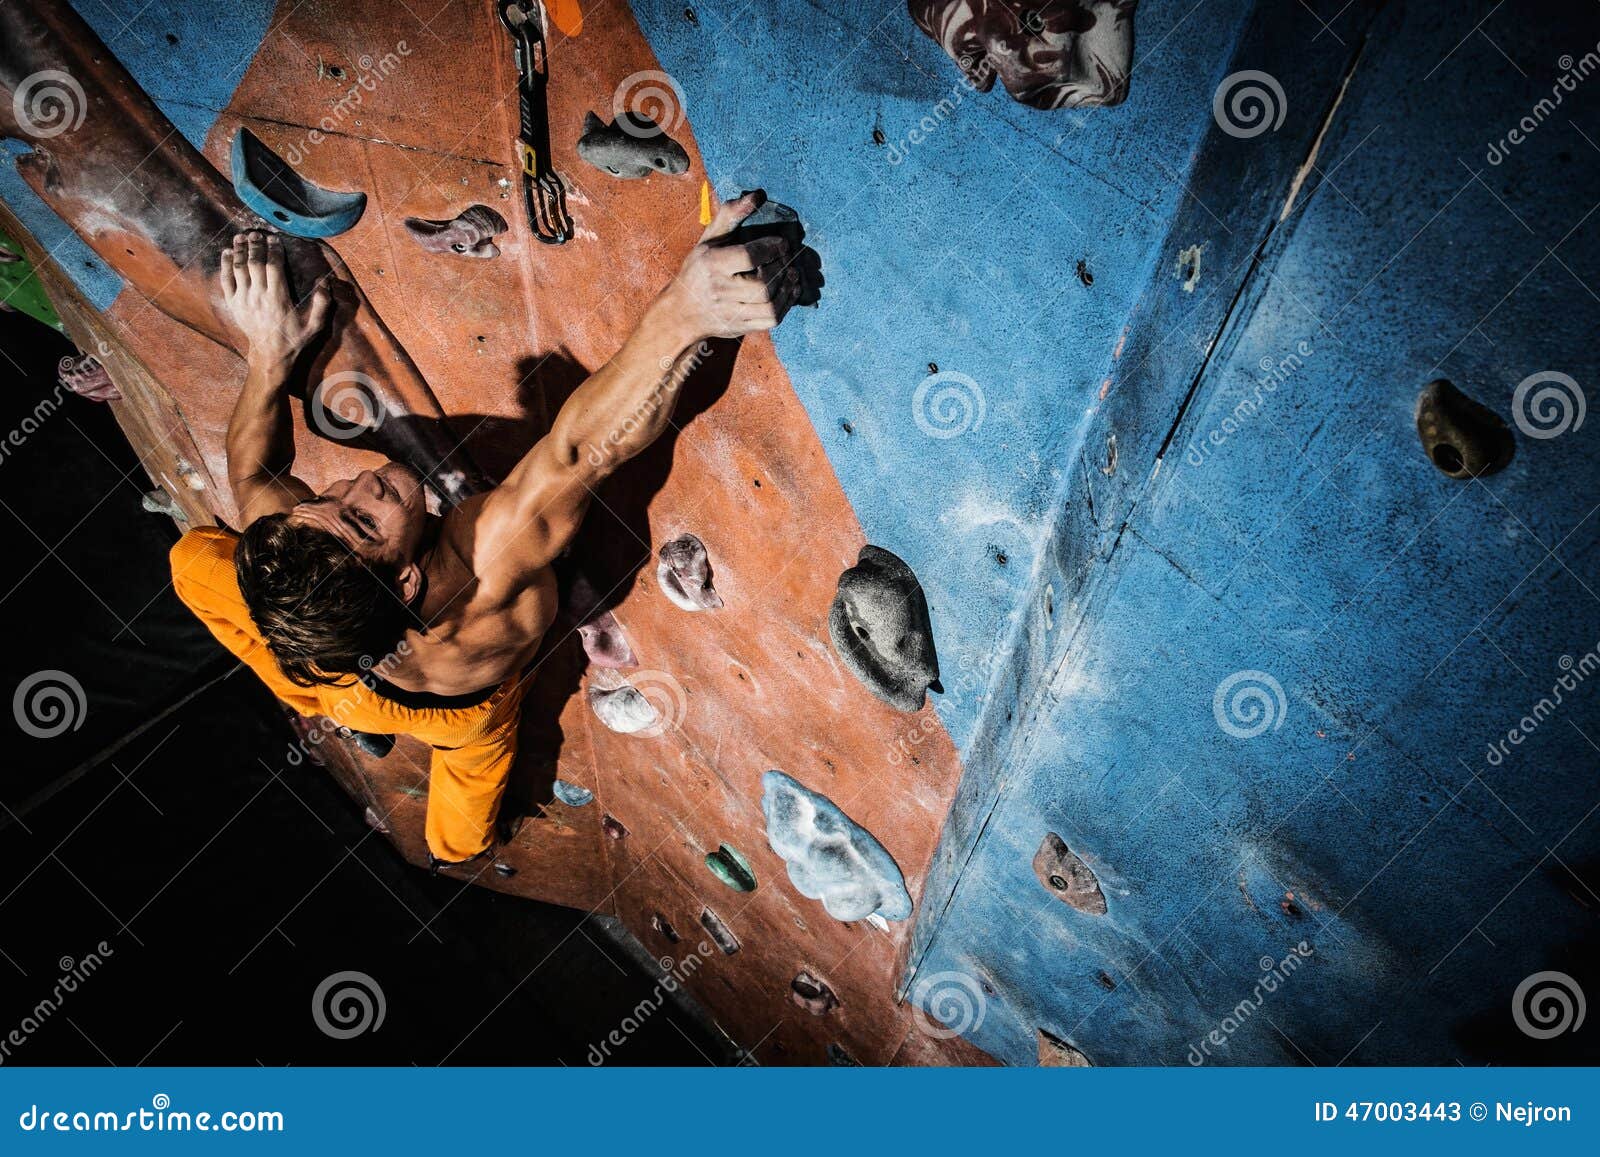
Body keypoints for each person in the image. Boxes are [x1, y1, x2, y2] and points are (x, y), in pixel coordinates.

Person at [172, 192, 801, 867]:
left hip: (335, 677)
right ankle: (449, 848)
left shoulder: (298, 551)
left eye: (329, 497)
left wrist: (267, 353)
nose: (358, 481)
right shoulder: (487, 559)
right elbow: (582, 450)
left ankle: (300, 683)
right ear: (408, 576)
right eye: (365, 517)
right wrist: (686, 314)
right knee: (456, 836)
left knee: (189, 561)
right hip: (457, 714)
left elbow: (253, 471)